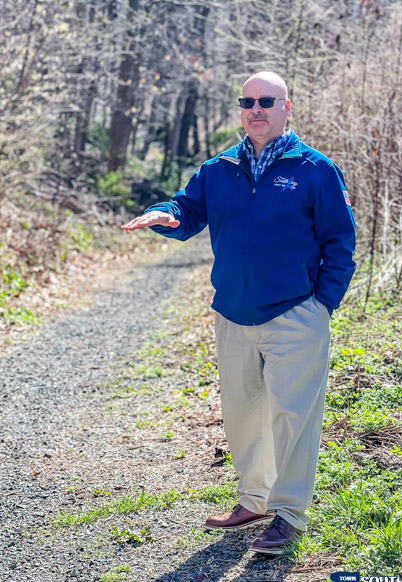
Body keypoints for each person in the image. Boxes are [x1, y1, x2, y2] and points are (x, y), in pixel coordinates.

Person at [122, 71, 356, 555]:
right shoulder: (219, 168)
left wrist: (322, 304)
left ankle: (289, 514)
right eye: (247, 101)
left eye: (267, 100)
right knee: (242, 414)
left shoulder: (314, 168)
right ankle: (254, 499)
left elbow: (340, 240)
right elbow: (188, 210)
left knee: (294, 416)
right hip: (232, 311)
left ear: (287, 107)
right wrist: (167, 214)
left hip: (296, 311)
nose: (256, 109)